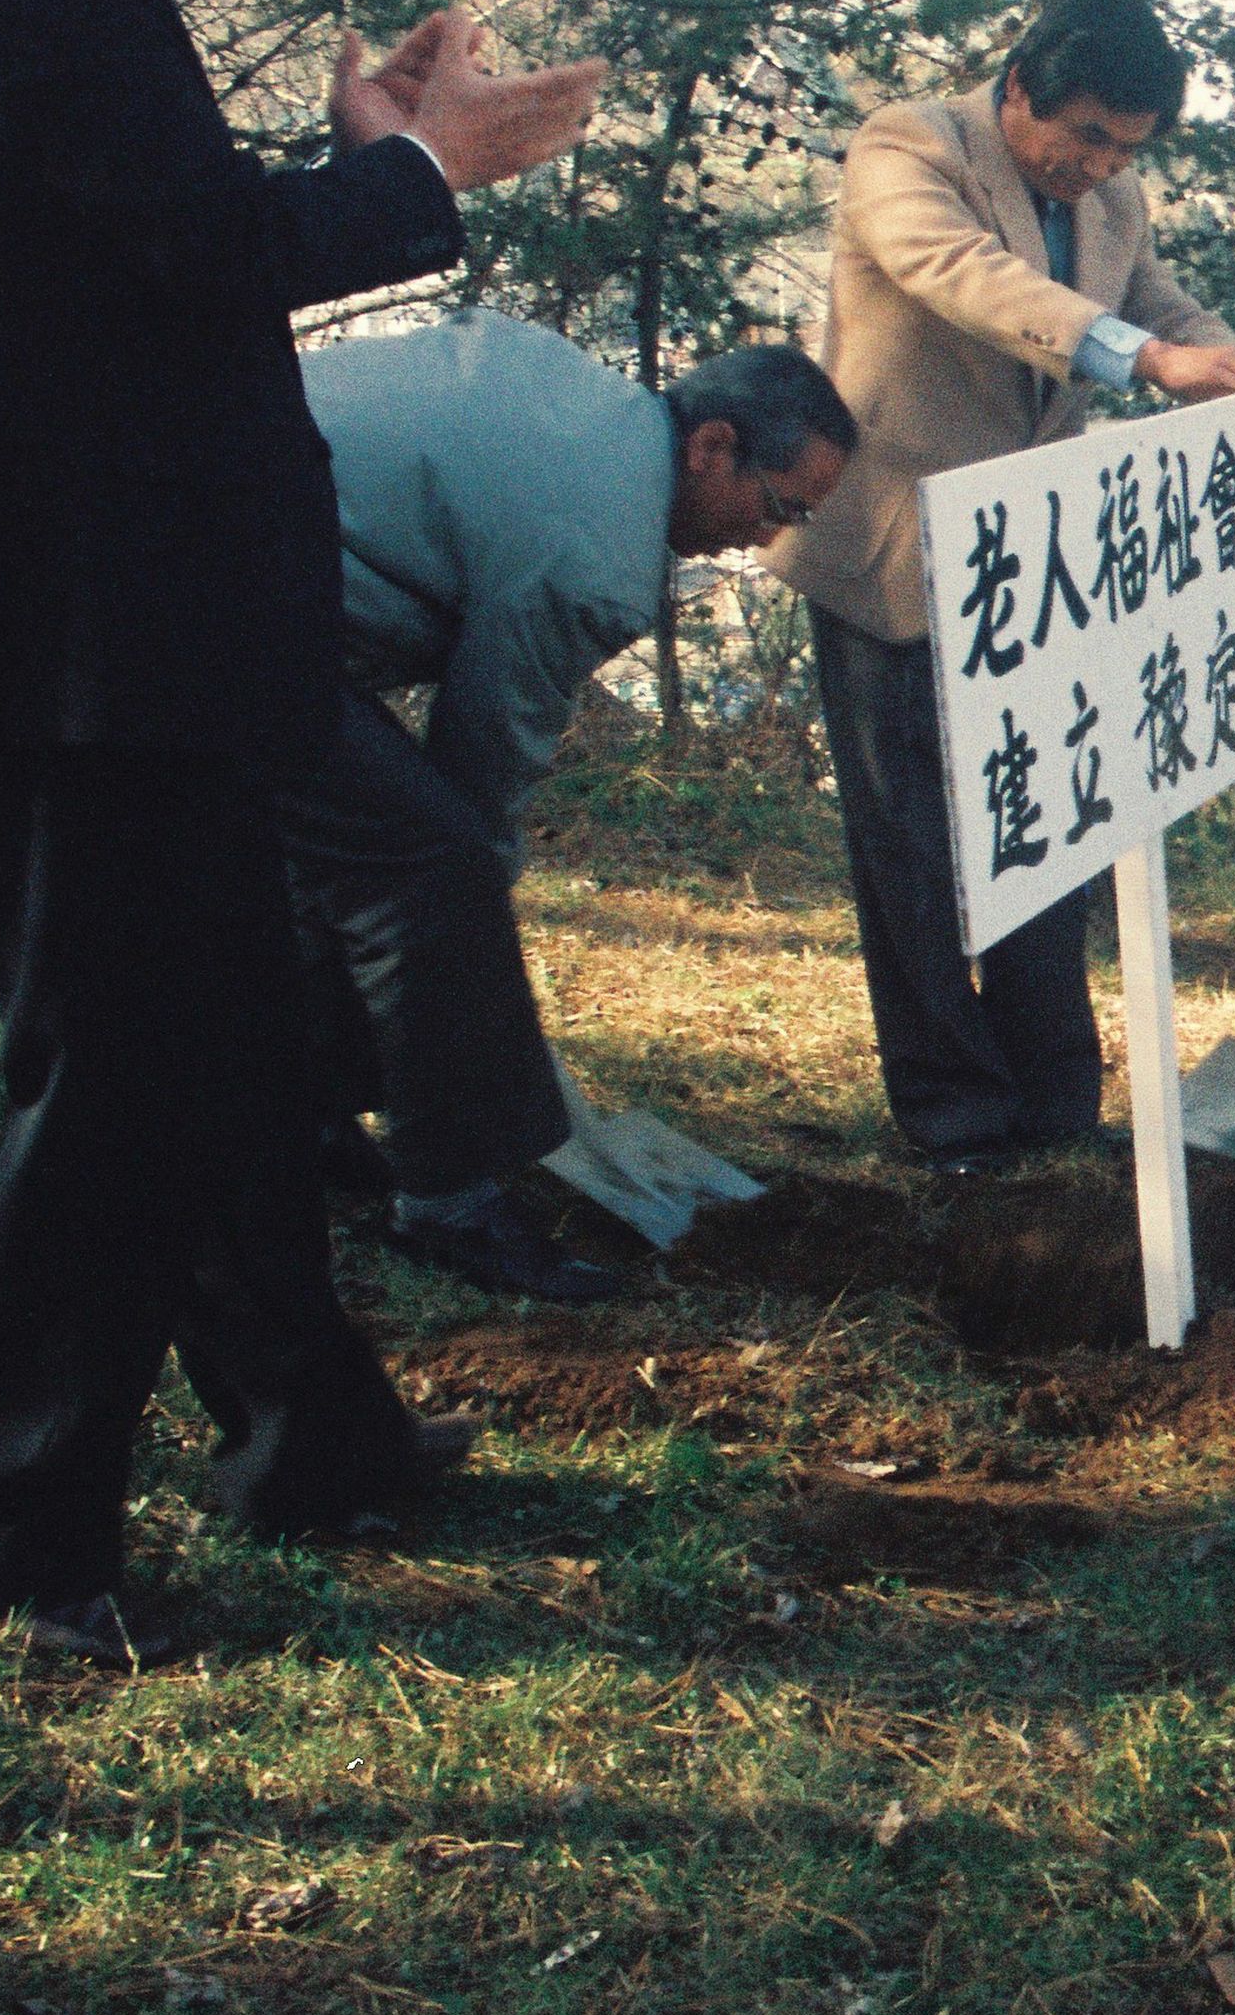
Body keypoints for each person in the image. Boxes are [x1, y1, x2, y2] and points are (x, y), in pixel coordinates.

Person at [0, 0, 605, 1650]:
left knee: (228, 1051)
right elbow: (215, 253)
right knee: (116, 1091)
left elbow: (135, 239)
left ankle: (309, 1429)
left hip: (56, 630)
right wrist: (427, 171)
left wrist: (369, 159)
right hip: (92, 649)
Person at [766, 0, 1235, 1177]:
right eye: (1084, 136)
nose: (1099, 165)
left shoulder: (1111, 196)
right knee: (910, 846)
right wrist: (1151, 361)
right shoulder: (909, 147)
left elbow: (1154, 305)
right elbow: (963, 276)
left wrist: (1232, 360)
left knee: (1045, 822)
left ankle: (1055, 1098)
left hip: (1034, 565)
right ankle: (953, 1115)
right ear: (1018, 89)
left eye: (1127, 145)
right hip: (890, 549)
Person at [288, 312, 855, 1302]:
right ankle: (450, 1211)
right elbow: (487, 748)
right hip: (198, 597)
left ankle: (308, 1118)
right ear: (710, 446)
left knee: (358, 853)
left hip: (200, 559)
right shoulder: (595, 548)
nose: (766, 540)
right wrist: (473, 937)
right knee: (431, 868)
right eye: (779, 507)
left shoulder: (588, 412)